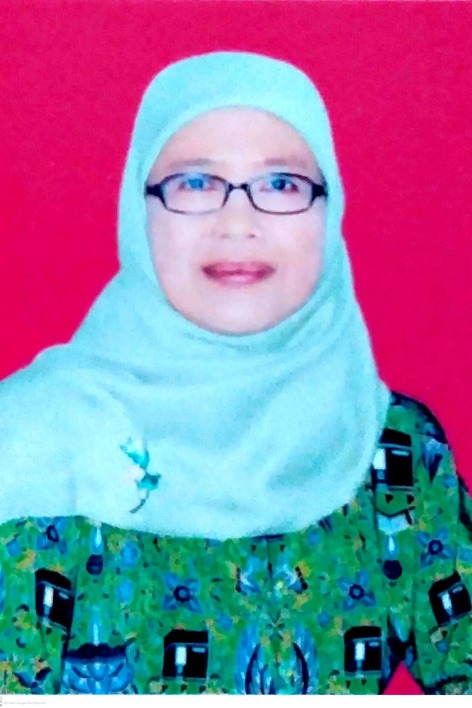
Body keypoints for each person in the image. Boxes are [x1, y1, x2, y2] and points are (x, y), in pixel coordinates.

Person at [0, 51, 471, 696]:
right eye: (196, 183)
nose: (239, 224)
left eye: (281, 184)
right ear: (139, 213)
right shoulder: (31, 440)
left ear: (330, 212)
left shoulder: (396, 452)